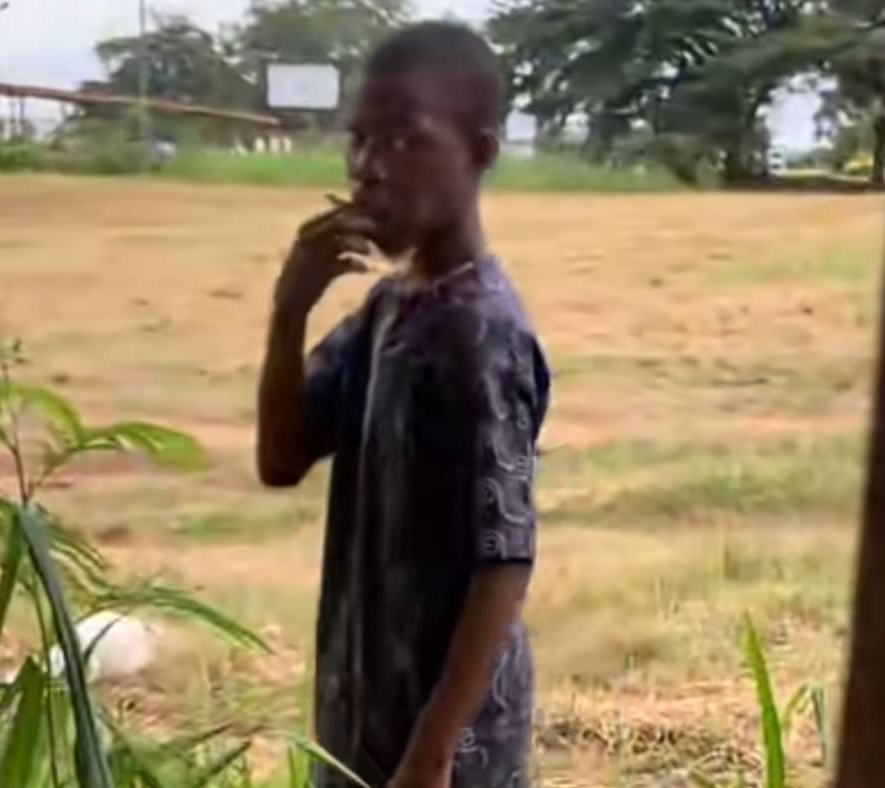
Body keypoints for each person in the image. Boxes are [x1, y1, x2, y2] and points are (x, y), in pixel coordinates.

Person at [256, 21, 551, 788]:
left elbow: (505, 563)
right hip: (363, 727)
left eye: (404, 141)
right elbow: (281, 458)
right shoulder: (387, 313)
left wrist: (433, 753)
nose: (368, 170)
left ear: (480, 153)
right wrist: (289, 312)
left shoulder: (481, 333)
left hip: (449, 753)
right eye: (359, 141)